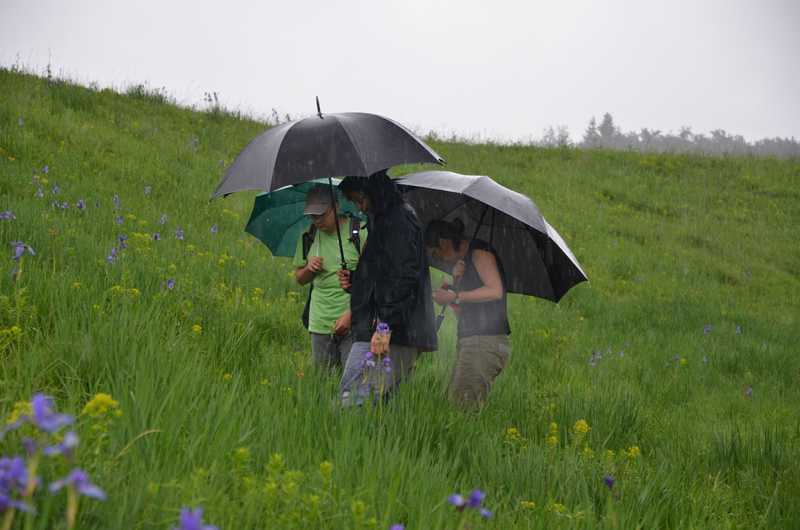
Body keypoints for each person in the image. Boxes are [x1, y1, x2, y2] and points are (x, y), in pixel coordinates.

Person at [336, 171, 437, 406]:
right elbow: (383, 272)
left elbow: (403, 277)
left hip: (396, 330)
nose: (359, 208)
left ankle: (355, 441)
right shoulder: (381, 219)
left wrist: (385, 325)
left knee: (353, 401)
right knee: (369, 402)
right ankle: (370, 442)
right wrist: (357, 282)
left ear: (373, 192)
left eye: (360, 200)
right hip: (382, 325)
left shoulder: (399, 219)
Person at [425, 218, 511, 408]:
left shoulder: (480, 253)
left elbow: (495, 291)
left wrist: (455, 295)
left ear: (444, 242)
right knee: (456, 403)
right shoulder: (464, 264)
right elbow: (464, 310)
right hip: (472, 339)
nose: (438, 259)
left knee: (461, 407)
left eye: (436, 253)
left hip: (484, 341)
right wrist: (455, 286)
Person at [293, 184, 365, 370]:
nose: (317, 221)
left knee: (352, 381)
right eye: (312, 216)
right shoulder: (308, 237)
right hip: (319, 322)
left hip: (353, 319)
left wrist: (352, 314)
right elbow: (299, 279)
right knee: (323, 382)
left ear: (337, 207)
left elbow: (373, 278)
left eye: (321, 215)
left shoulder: (359, 233)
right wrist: (309, 269)